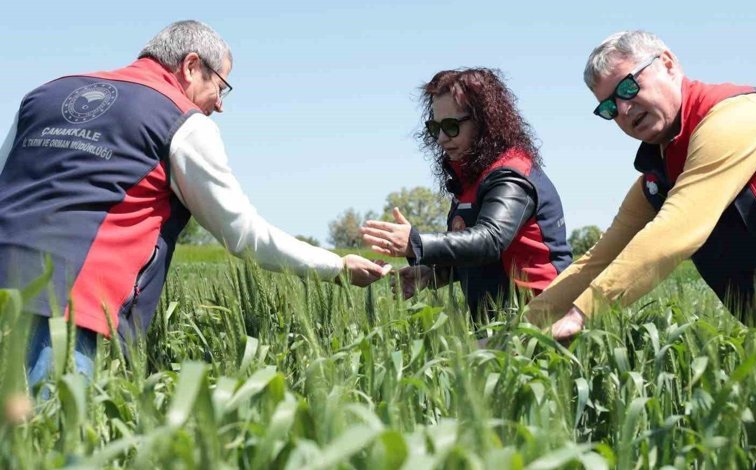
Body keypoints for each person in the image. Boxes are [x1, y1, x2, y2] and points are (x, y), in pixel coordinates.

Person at [0, 20, 388, 387]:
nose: (220, 104)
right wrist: (337, 266)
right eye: (221, 86)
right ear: (190, 66)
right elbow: (243, 234)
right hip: (69, 311)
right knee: (50, 441)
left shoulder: (44, 94)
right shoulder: (181, 121)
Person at [526, 30, 756, 340]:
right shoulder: (661, 175)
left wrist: (582, 314)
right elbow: (597, 260)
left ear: (668, 64)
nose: (624, 109)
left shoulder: (737, 117)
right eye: (609, 107)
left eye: (628, 87)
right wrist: (521, 329)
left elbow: (676, 230)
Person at [361, 68, 572, 319]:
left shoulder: (511, 175)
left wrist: (416, 243)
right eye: (434, 127)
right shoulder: (470, 178)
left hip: (541, 322)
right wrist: (432, 273)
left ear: (484, 122)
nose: (440, 138)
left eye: (451, 126)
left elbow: (490, 240)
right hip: (498, 325)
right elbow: (476, 256)